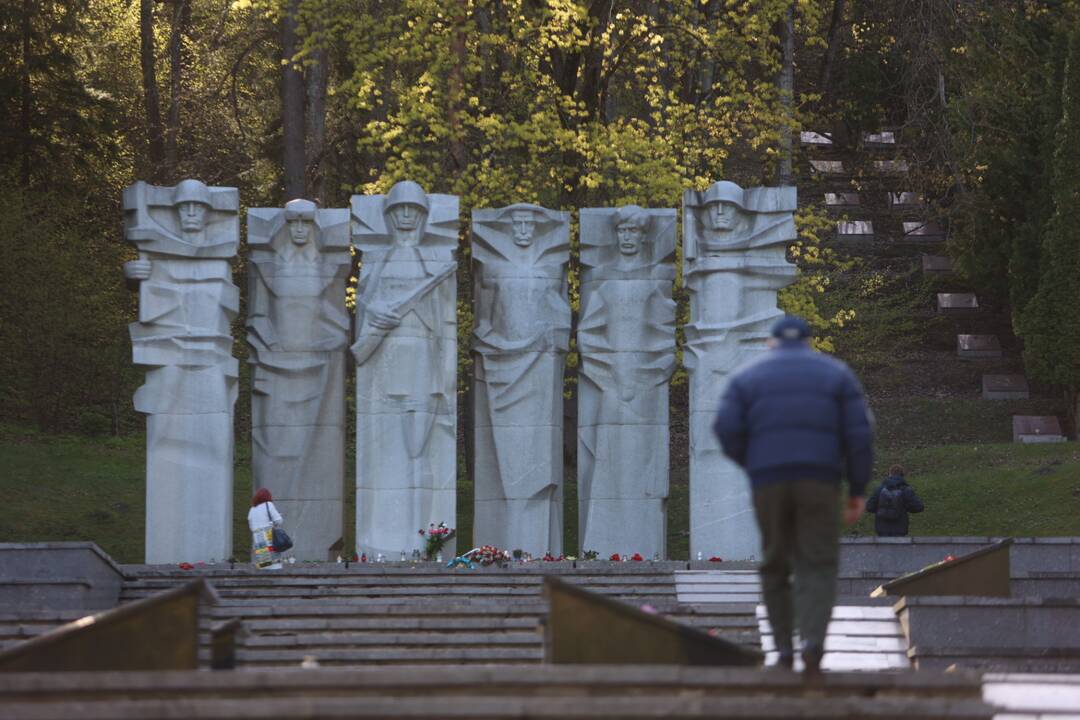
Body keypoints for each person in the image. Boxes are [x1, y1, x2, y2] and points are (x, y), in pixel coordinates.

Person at [713, 315, 874, 679]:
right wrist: (858, 488)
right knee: (817, 563)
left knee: (775, 562)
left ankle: (784, 649)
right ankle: (813, 644)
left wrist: (753, 462)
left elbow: (724, 427)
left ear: (771, 342)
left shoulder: (747, 377)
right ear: (808, 341)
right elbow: (860, 435)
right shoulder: (836, 374)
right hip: (819, 480)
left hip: (768, 481)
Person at [865, 464, 925, 537]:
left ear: (889, 474)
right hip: (899, 529)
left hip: (882, 529)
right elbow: (919, 507)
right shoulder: (906, 490)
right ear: (902, 475)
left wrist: (881, 509)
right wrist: (905, 507)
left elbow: (869, 507)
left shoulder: (879, 489)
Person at [249, 488, 285, 569]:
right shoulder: (268, 504)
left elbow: (251, 527)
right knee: (275, 566)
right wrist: (274, 520)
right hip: (269, 538)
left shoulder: (252, 509)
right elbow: (279, 521)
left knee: (264, 565)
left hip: (258, 540)